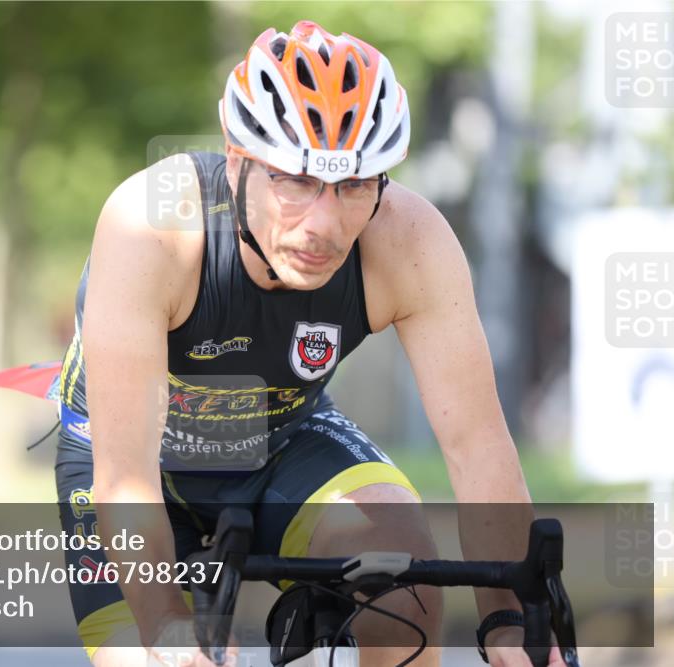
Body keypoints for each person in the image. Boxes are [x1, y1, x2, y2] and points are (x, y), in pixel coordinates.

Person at [53, 20, 563, 667]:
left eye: (353, 185)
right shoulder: (150, 227)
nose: (323, 223)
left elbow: (477, 445)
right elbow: (125, 477)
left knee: (404, 590)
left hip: (281, 440)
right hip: (129, 460)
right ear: (238, 161)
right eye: (295, 180)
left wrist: (511, 621)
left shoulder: (409, 242)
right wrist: (168, 627)